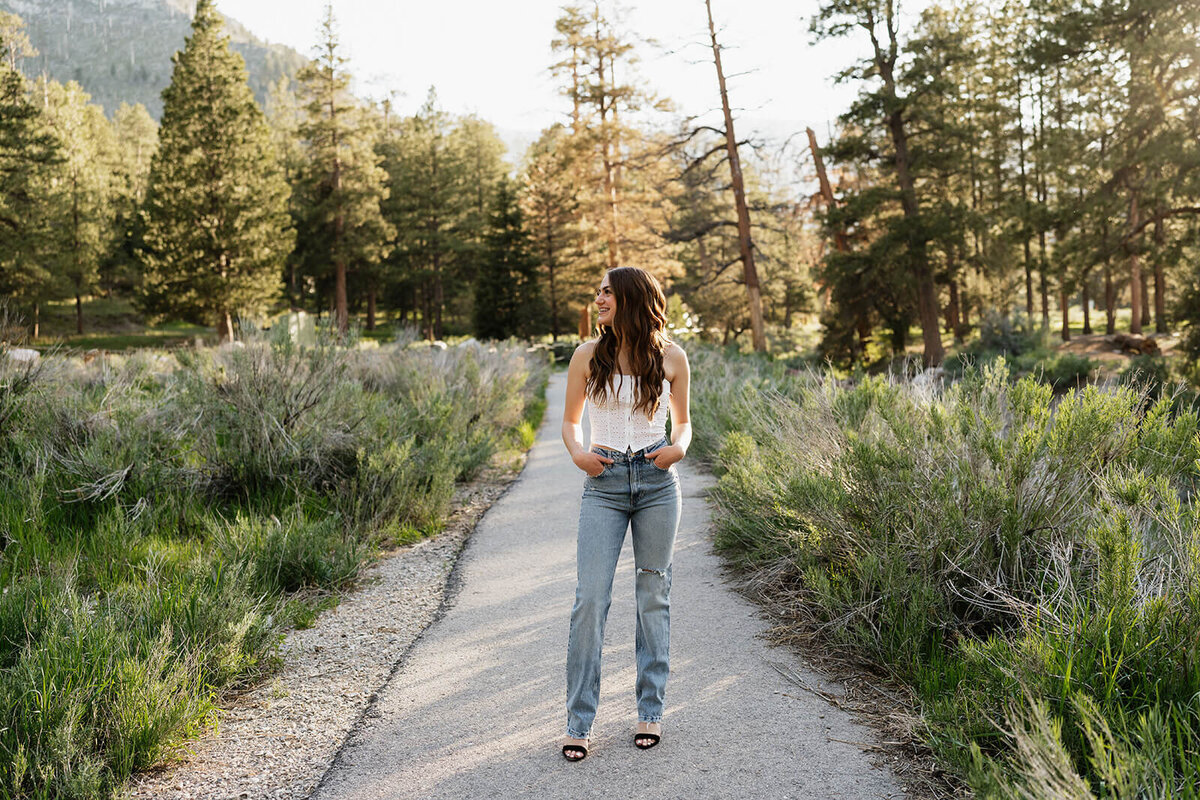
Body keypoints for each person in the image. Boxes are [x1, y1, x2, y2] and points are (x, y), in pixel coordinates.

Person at [558, 266, 692, 761]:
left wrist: (679, 448)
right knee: (590, 599)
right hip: (605, 482)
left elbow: (684, 423)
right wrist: (578, 455)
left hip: (658, 482)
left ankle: (650, 712)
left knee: (653, 595)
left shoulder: (672, 357)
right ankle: (579, 721)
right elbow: (571, 423)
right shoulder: (587, 356)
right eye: (598, 292)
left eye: (607, 292)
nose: (598, 300)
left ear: (632, 299)